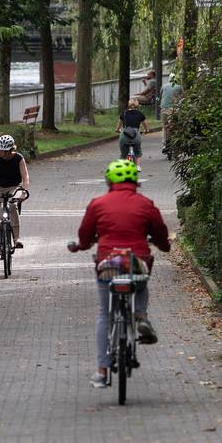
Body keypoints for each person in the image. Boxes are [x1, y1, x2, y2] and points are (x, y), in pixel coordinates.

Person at [68, 159, 170, 389]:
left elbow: (85, 235)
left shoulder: (98, 204)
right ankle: (141, 317)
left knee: (105, 313)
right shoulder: (146, 204)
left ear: (108, 181)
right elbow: (161, 233)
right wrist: (164, 246)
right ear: (135, 181)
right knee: (141, 284)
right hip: (137, 262)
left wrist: (81, 246)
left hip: (108, 263)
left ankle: (102, 371)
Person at [0, 134, 30, 261]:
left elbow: (25, 177)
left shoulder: (19, 158)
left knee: (12, 205)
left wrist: (24, 191)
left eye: (5, 151)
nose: (2, 153)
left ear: (11, 149)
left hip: (15, 187)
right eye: (0, 150)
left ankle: (16, 238)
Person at [117, 98, 149, 163]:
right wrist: (146, 130)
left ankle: (123, 165)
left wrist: (117, 130)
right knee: (137, 152)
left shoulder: (124, 113)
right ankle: (137, 166)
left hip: (124, 136)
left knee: (123, 154)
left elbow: (118, 126)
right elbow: (146, 125)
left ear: (128, 104)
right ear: (137, 105)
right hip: (136, 136)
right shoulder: (140, 114)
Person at [159, 74, 184, 152]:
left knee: (164, 127)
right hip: (174, 110)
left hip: (164, 109)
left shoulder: (164, 86)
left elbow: (161, 96)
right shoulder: (179, 87)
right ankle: (176, 144)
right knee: (175, 126)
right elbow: (183, 97)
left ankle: (164, 145)